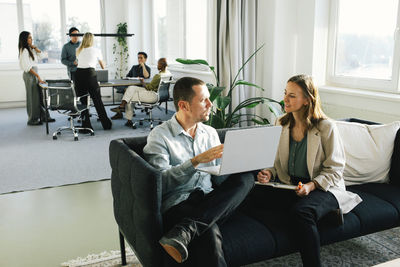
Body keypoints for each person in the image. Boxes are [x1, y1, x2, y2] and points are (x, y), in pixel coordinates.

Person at [143, 77, 254, 266]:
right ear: (184, 105)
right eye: (204, 100)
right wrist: (194, 162)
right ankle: (189, 228)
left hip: (210, 199)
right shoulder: (160, 137)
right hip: (179, 203)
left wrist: (239, 164)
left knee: (246, 179)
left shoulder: (210, 133)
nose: (211, 104)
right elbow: (161, 184)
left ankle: (187, 229)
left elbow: (219, 180)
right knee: (209, 235)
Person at [253, 74, 362, 267]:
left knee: (301, 213)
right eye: (285, 93)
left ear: (307, 100)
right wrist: (268, 172)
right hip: (291, 185)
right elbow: (274, 159)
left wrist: (311, 186)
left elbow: (335, 168)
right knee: (251, 194)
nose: (285, 99)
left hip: (323, 187)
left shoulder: (326, 127)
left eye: (292, 96)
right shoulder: (281, 123)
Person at [110, 57, 171, 127]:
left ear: (160, 65)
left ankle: (128, 119)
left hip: (152, 95)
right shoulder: (168, 73)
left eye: (158, 64)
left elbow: (149, 87)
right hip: (161, 95)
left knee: (129, 96)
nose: (157, 66)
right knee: (131, 88)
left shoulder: (158, 76)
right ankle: (122, 106)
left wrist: (142, 82)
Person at [75, 32, 112, 130]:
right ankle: (106, 124)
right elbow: (103, 66)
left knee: (83, 101)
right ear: (92, 40)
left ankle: (86, 125)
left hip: (78, 75)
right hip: (89, 74)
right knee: (97, 100)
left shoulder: (78, 50)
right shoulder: (96, 50)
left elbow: (78, 63)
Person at [18, 31, 55, 125]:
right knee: (33, 98)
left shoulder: (31, 49)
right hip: (30, 74)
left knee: (40, 96)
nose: (31, 39)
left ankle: (44, 117)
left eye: (31, 37)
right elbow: (27, 67)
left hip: (34, 73)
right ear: (25, 39)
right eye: (29, 37)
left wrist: (35, 48)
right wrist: (37, 76)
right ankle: (32, 119)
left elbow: (42, 56)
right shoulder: (24, 51)